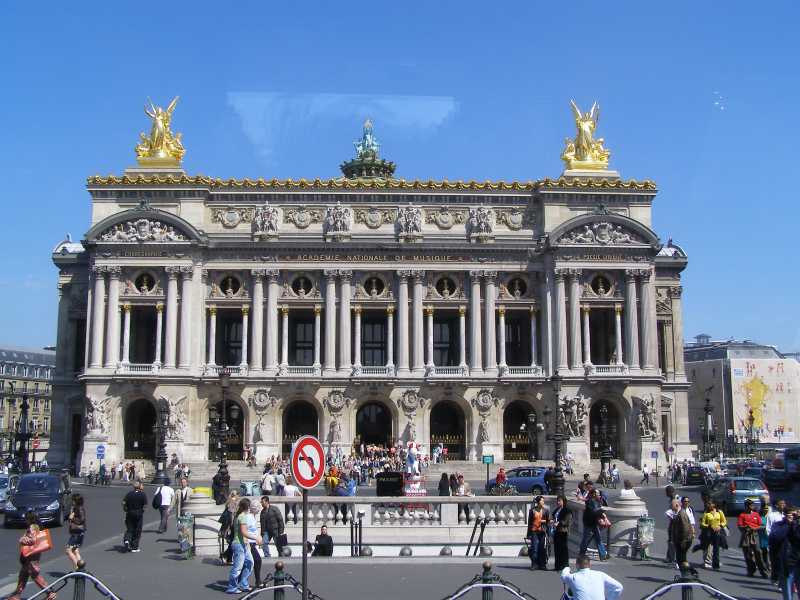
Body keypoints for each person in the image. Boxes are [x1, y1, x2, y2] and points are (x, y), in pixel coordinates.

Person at [8, 511, 56, 600]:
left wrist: (22, 540)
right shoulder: (36, 526)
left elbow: (33, 540)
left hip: (31, 555)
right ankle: (16, 595)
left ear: (29, 519)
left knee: (34, 575)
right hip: (32, 555)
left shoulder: (32, 527)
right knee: (23, 575)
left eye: (26, 519)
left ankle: (50, 592)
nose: (25, 521)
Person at [225, 498, 261, 594]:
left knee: (250, 563)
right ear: (248, 507)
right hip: (239, 544)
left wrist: (248, 543)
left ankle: (243, 584)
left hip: (243, 544)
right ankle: (232, 587)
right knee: (237, 567)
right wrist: (256, 538)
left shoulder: (240, 516)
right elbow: (244, 532)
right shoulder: (242, 517)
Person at [738, 498, 769, 578]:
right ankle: (751, 570)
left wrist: (755, 528)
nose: (751, 507)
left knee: (758, 553)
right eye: (750, 505)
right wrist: (746, 527)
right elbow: (740, 526)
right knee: (748, 555)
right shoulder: (742, 515)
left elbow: (762, 525)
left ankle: (763, 571)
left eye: (752, 505)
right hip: (746, 536)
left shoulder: (756, 514)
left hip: (755, 535)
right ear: (746, 506)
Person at [579, 489, 608, 561]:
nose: (599, 495)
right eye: (598, 494)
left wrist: (602, 514)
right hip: (589, 523)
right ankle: (581, 554)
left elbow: (597, 510)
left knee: (598, 539)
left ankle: (603, 555)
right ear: (594, 494)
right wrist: (602, 512)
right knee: (586, 539)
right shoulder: (590, 501)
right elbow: (594, 511)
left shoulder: (597, 501)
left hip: (594, 523)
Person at [670, 498, 694, 575]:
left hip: (683, 540)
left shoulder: (681, 514)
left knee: (681, 559)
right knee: (681, 558)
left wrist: (684, 540)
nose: (671, 507)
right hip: (680, 540)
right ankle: (686, 573)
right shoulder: (678, 513)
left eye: (672, 505)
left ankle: (688, 573)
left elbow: (685, 528)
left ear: (677, 505)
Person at [122, 480, 147, 552]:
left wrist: (125, 509)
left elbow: (123, 502)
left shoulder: (129, 494)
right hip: (138, 513)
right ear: (139, 487)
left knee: (130, 528)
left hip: (130, 513)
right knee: (137, 530)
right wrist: (142, 511)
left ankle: (127, 539)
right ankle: (134, 547)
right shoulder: (143, 494)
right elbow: (145, 505)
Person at [527, 495, 550, 570]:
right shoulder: (532, 510)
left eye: (543, 500)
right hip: (534, 531)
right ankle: (534, 564)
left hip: (542, 531)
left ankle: (542, 564)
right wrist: (528, 534)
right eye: (542, 500)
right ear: (538, 502)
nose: (543, 502)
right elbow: (530, 522)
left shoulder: (546, 511)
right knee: (535, 548)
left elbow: (548, 521)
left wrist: (548, 533)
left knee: (542, 548)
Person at [700, 500, 725, 570]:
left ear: (714, 504)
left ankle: (716, 563)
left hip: (717, 532)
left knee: (716, 548)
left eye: (710, 504)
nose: (708, 505)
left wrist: (720, 526)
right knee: (709, 547)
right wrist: (709, 526)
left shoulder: (719, 512)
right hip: (709, 532)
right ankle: (707, 562)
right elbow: (703, 523)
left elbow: (724, 521)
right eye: (708, 504)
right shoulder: (706, 513)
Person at [65, 493, 86, 570]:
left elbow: (81, 520)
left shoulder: (79, 509)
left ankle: (78, 567)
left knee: (68, 550)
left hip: (77, 533)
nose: (72, 501)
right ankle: (81, 567)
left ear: (76, 501)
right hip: (78, 533)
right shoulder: (76, 508)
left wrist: (72, 518)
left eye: (73, 500)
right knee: (75, 550)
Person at [246, 501, 264, 588]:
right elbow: (245, 531)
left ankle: (257, 580)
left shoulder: (253, 517)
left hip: (252, 542)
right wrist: (256, 538)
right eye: (259, 508)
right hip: (249, 543)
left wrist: (258, 538)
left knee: (253, 561)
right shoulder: (249, 517)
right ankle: (257, 581)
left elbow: (254, 530)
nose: (259, 510)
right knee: (257, 560)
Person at [552, 495, 572, 571]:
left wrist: (559, 523)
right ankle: (558, 566)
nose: (558, 502)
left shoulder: (567, 510)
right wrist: (553, 521)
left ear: (564, 501)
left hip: (563, 531)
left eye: (559, 501)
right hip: (556, 531)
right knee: (557, 549)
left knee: (563, 549)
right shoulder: (557, 509)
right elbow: (554, 517)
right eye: (557, 501)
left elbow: (567, 520)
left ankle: (565, 566)